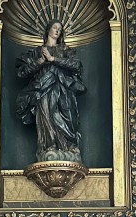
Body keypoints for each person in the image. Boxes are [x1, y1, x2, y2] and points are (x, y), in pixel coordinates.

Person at [16, 20, 86, 163]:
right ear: (48, 30)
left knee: (66, 116)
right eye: (54, 27)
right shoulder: (37, 52)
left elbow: (77, 65)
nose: (57, 30)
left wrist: (53, 59)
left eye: (59, 29)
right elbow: (22, 73)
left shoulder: (65, 51)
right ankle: (49, 146)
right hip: (43, 90)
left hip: (63, 90)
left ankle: (68, 146)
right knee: (47, 116)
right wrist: (40, 62)